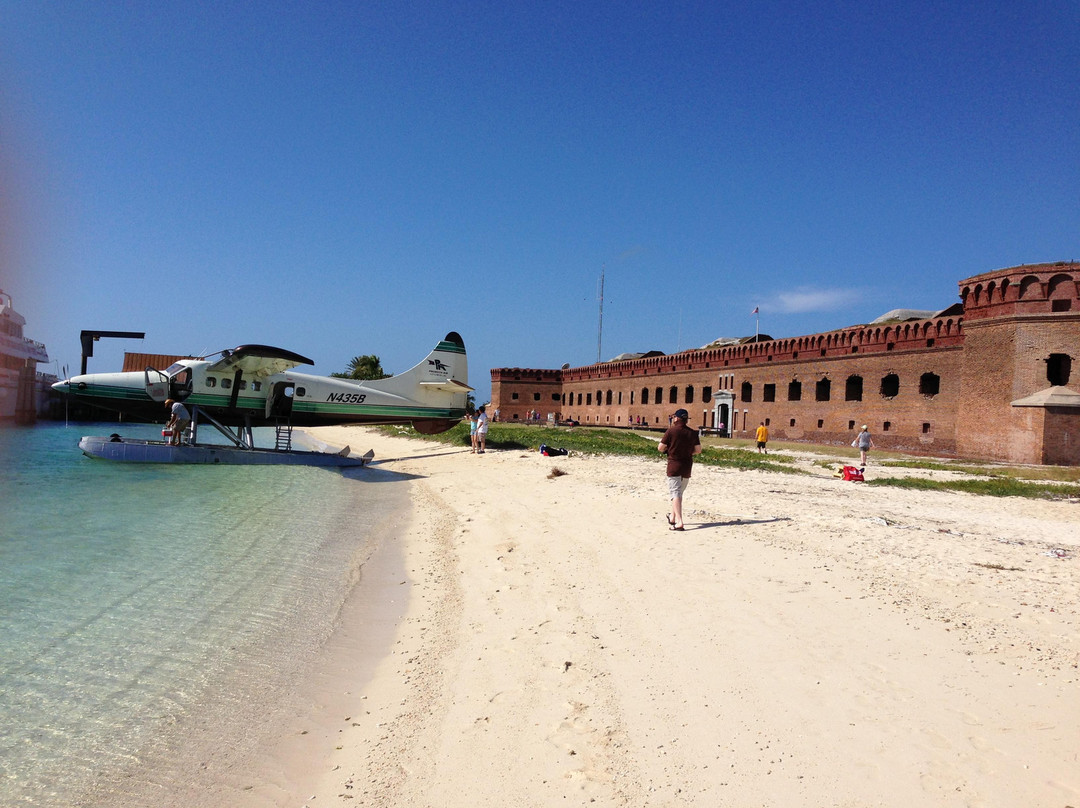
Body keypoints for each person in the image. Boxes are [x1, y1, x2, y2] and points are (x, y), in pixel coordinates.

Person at [658, 408, 702, 531]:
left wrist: (670, 450)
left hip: (674, 465)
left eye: (674, 417)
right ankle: (672, 517)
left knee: (675, 493)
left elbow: (660, 448)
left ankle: (679, 522)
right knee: (679, 492)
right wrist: (687, 452)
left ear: (676, 418)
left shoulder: (671, 431)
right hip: (687, 466)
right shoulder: (693, 433)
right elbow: (698, 450)